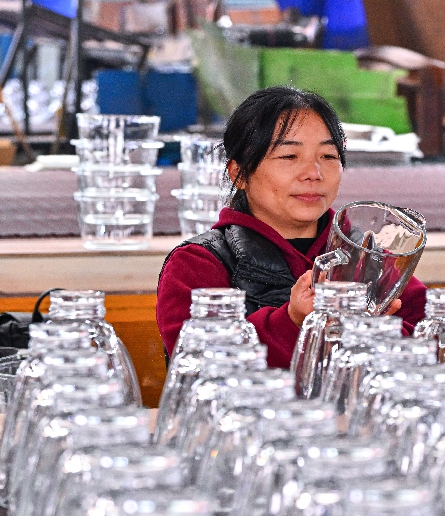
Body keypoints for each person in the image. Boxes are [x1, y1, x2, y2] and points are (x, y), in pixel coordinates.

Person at [156, 86, 428, 368]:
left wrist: (377, 331)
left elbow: (434, 347)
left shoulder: (368, 259)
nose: (313, 173)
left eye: (328, 157)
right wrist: (291, 321)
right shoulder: (197, 263)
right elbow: (202, 367)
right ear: (239, 174)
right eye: (289, 157)